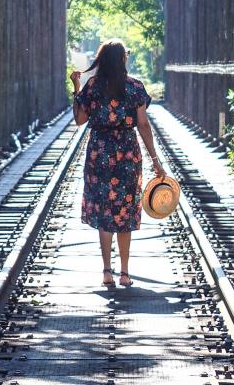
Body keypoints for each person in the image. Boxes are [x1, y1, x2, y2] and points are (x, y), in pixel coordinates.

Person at [70, 38, 165, 287]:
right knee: (125, 210)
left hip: (99, 153)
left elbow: (80, 120)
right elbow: (143, 125)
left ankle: (106, 271)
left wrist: (76, 88)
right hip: (127, 154)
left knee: (104, 211)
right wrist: (156, 160)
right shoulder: (135, 87)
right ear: (123, 59)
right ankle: (125, 273)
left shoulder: (92, 86)